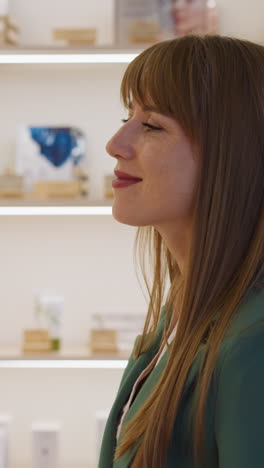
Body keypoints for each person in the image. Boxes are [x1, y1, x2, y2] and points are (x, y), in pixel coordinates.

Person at [98, 35, 264, 468]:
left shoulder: (253, 342)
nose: (116, 143)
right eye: (127, 116)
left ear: (234, 153)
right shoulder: (181, 313)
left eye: (151, 125)